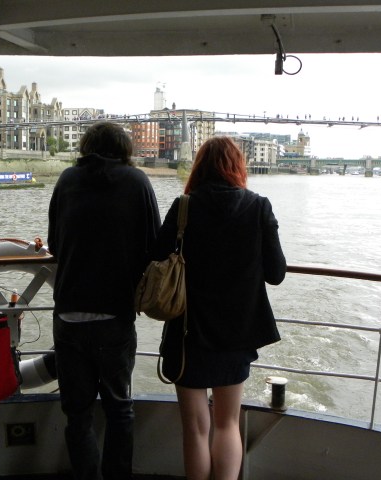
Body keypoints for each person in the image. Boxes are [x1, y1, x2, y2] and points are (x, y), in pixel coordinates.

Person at [151, 136, 286, 480]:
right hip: (238, 331)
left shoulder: (183, 207)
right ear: (238, 167)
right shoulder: (259, 207)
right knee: (227, 424)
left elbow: (157, 260)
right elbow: (276, 273)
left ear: (200, 167)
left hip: (188, 330)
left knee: (195, 428)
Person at [48, 122, 161, 479]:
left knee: (77, 414)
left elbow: (54, 242)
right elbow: (154, 245)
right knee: (119, 410)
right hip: (115, 315)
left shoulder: (67, 180)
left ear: (85, 145)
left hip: (68, 314)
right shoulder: (137, 181)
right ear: (125, 149)